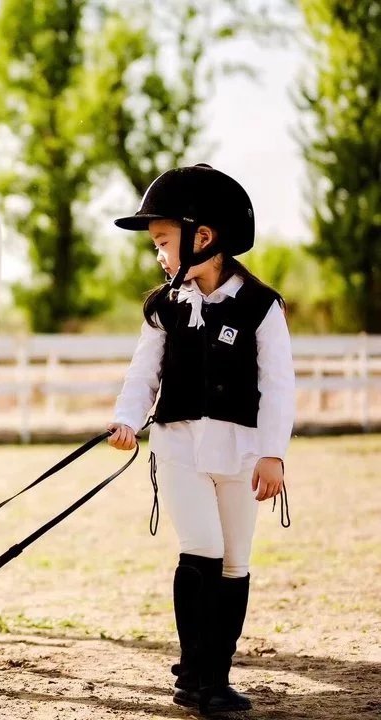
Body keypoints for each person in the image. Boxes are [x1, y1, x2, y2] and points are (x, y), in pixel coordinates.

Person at [106, 164, 295, 714]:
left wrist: (273, 454)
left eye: (162, 241)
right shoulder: (163, 306)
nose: (158, 255)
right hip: (179, 446)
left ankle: (216, 674)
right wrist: (127, 419)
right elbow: (143, 373)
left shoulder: (262, 306)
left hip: (241, 453)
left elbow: (278, 386)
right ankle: (192, 676)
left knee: (235, 560)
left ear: (203, 238)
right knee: (203, 549)